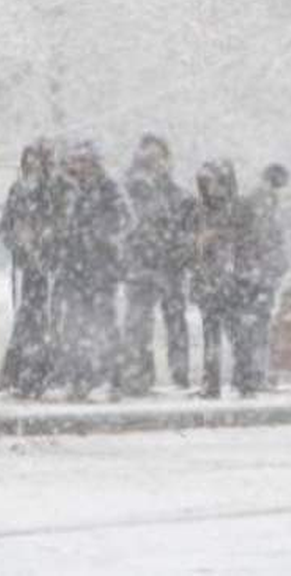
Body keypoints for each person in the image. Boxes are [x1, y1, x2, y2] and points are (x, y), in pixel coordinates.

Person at [52, 140, 130, 400]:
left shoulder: (109, 188)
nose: (78, 167)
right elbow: (58, 222)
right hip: (73, 268)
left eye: (83, 161)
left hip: (100, 269)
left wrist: (98, 233)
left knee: (103, 325)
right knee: (75, 326)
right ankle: (78, 378)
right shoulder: (67, 190)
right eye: (75, 161)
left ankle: (110, 380)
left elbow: (125, 219)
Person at [121, 134, 193, 394]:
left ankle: (179, 374)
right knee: (138, 323)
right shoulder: (129, 191)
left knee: (175, 320)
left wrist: (179, 252)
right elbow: (124, 227)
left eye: (158, 157)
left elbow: (187, 230)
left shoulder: (178, 195)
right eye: (148, 158)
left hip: (169, 266)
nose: (154, 163)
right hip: (141, 266)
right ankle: (138, 375)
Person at [189, 159, 264, 398]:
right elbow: (188, 246)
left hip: (235, 281)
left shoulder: (242, 208)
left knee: (239, 334)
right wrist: (198, 245)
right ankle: (211, 382)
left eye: (216, 182)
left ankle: (245, 381)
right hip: (208, 280)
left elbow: (252, 242)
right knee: (211, 335)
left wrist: (219, 236)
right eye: (207, 183)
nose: (212, 188)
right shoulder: (198, 211)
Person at [0, 140, 60, 398]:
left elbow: (61, 222)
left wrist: (47, 235)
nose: (33, 164)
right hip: (27, 267)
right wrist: (18, 239)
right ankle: (24, 372)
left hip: (50, 266)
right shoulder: (18, 190)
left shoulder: (55, 189)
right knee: (27, 318)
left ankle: (39, 373)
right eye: (29, 159)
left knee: (43, 320)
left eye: (38, 159)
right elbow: (6, 226)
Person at [242, 163, 291, 387]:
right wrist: (276, 264)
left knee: (256, 322)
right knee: (259, 322)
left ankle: (254, 371)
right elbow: (265, 238)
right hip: (260, 274)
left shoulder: (260, 199)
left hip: (259, 272)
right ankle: (256, 372)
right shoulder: (264, 201)